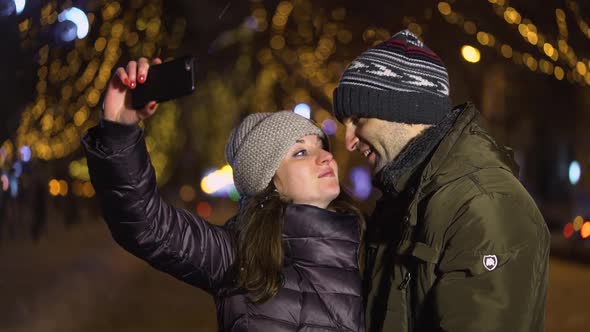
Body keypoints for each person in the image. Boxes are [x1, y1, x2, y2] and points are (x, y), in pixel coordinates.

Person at [82, 57, 365, 331]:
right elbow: (146, 223)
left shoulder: (372, 248)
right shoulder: (241, 258)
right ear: (270, 183)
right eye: (302, 152)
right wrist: (119, 131)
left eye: (321, 146)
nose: (326, 157)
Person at [331, 30, 550, 331]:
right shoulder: (403, 198)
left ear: (404, 109)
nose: (349, 141)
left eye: (358, 120)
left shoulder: (484, 205)